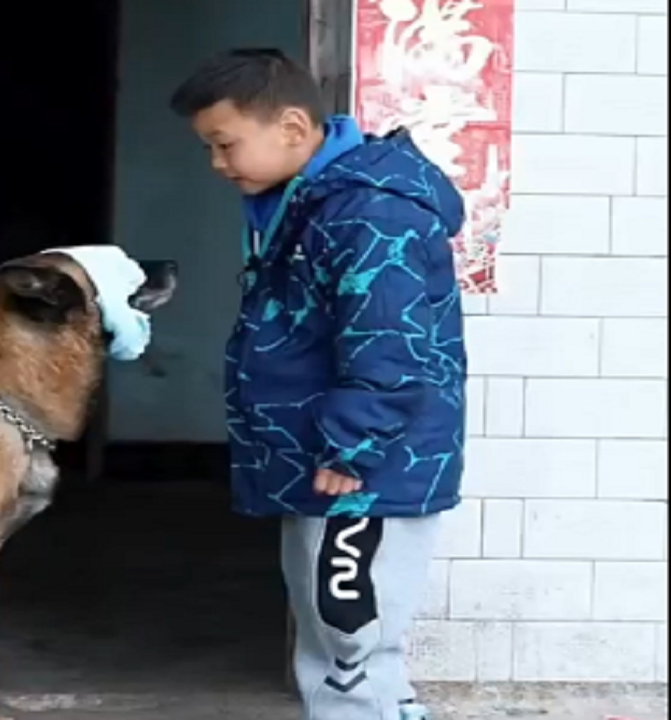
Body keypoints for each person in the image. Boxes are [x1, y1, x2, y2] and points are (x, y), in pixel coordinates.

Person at [169, 48, 467, 720]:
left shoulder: (368, 214)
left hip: (365, 469)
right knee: (343, 641)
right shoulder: (312, 205)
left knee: (347, 639)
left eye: (225, 144)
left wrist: (352, 446)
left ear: (294, 129)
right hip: (335, 458)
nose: (218, 164)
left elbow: (389, 342)